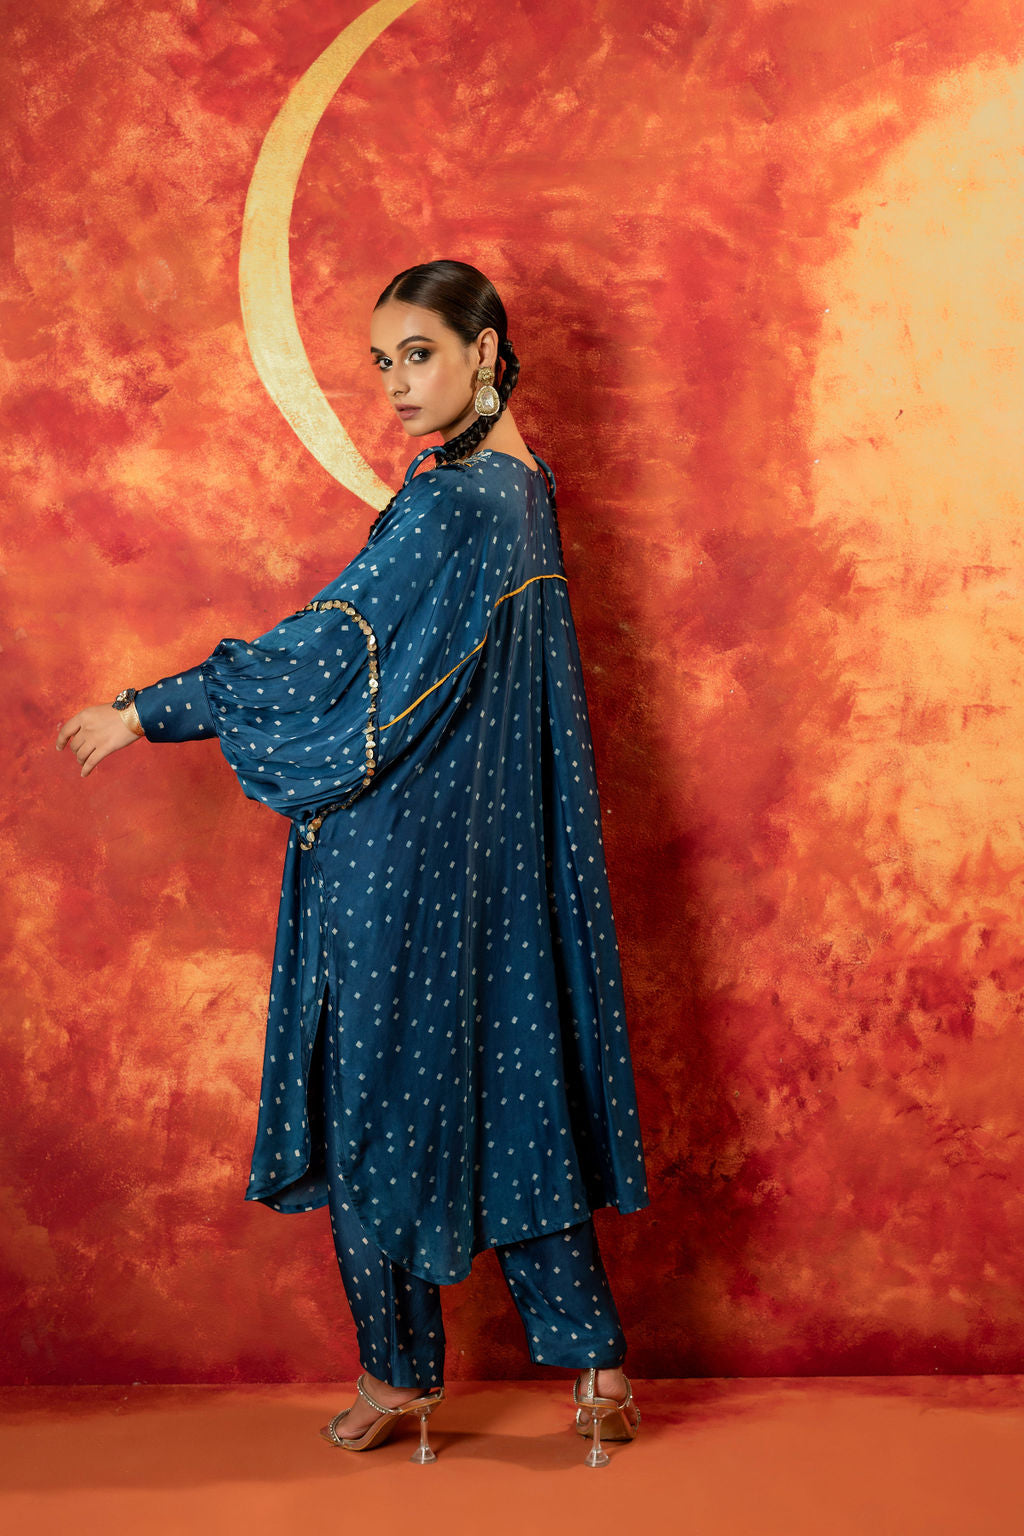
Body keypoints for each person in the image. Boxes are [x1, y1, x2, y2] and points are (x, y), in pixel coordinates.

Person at [57, 259, 648, 1468]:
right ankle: (597, 1369)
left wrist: (150, 707)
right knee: (514, 1076)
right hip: (490, 862)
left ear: (486, 352)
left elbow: (330, 650)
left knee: (370, 1097)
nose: (395, 385)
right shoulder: (525, 490)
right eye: (382, 363)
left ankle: (398, 1375)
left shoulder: (451, 504)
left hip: (394, 861)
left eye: (419, 354)